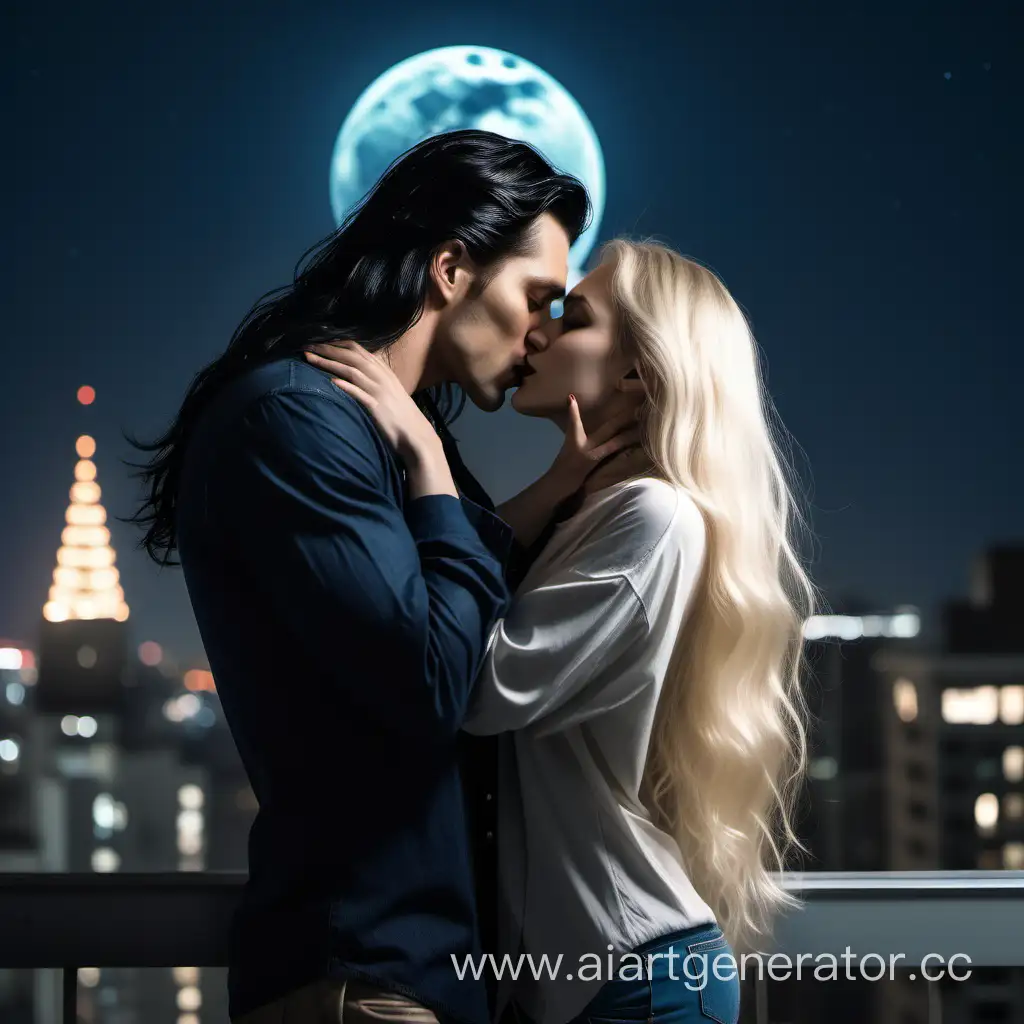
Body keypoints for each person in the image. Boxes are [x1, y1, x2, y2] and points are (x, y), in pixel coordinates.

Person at [127, 129, 607, 1024]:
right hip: (361, 978)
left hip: (420, 971)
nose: (544, 332)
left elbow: (454, 595)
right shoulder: (298, 420)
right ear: (453, 269)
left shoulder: (381, 428)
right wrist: (427, 467)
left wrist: (555, 489)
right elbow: (428, 680)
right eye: (536, 297)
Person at [310, 239, 814, 1024]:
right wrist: (551, 489)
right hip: (587, 978)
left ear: (638, 373)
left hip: (637, 981)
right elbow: (459, 606)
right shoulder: (600, 514)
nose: (535, 333)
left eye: (571, 318)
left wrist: (427, 463)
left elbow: (473, 686)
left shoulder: (656, 517)